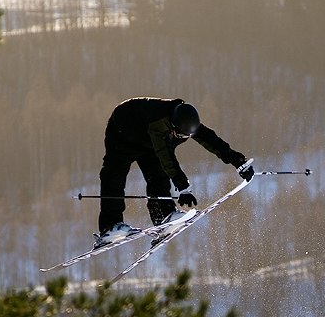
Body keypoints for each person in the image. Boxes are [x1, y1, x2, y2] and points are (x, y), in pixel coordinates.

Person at [94, 97, 254, 248]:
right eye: (179, 135)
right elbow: (166, 157)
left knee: (158, 176)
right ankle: (110, 227)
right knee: (114, 175)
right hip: (123, 132)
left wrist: (238, 161)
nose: (181, 138)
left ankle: (163, 217)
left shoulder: (185, 121)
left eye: (186, 137)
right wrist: (183, 187)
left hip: (146, 140)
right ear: (172, 126)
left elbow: (211, 140)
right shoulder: (159, 125)